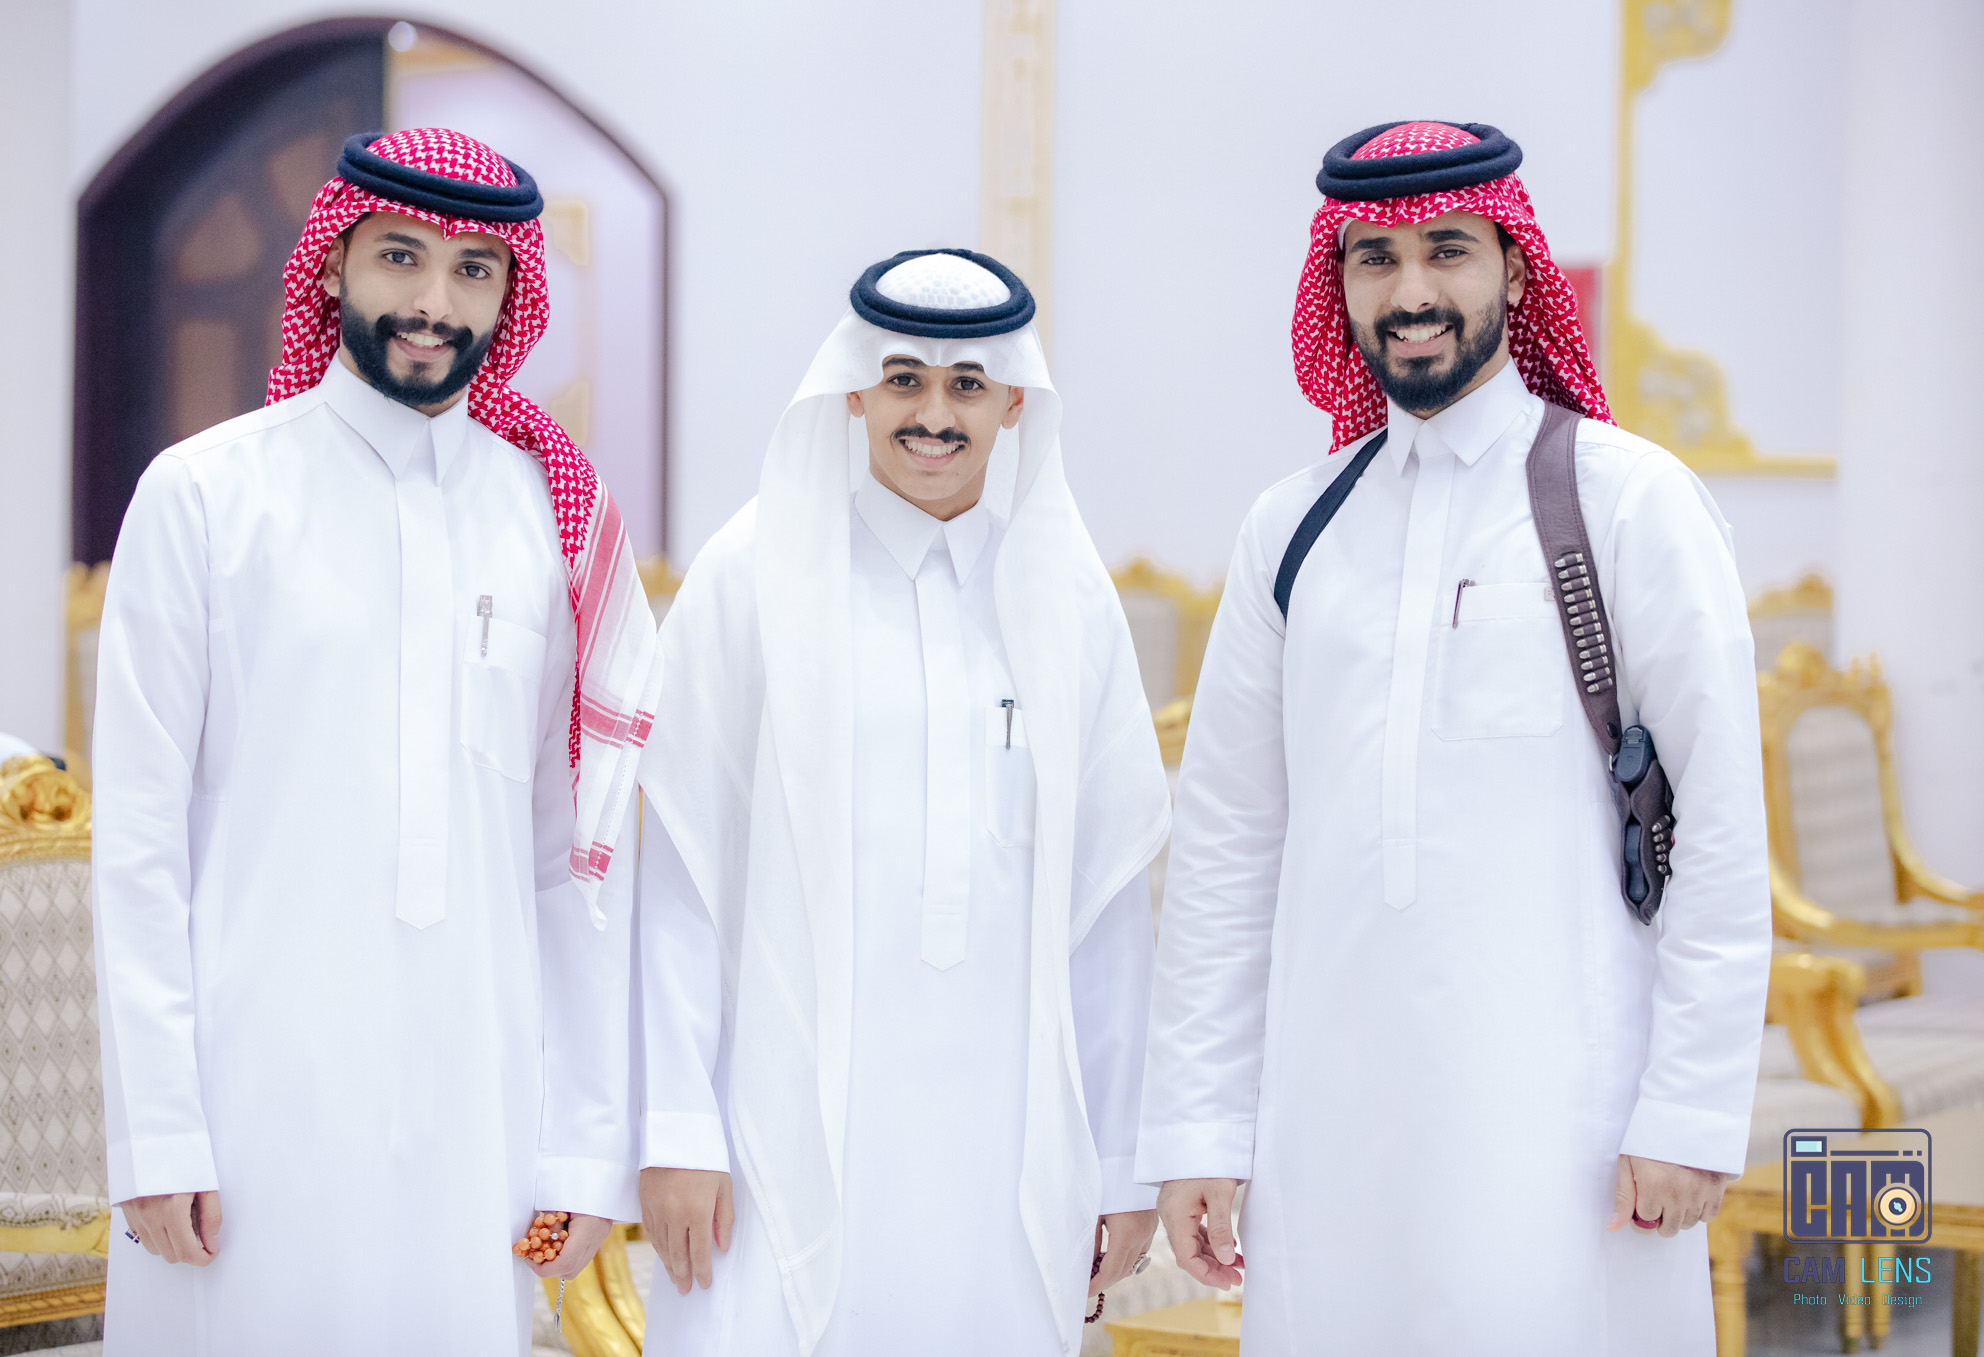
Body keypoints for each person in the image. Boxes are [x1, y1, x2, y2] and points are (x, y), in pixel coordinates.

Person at [1138, 121, 1771, 1354]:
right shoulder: (1293, 527)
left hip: (1568, 1124)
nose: (1410, 290)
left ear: (1515, 270)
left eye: (1446, 251)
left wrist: (1689, 1110)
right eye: (1373, 259)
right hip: (1326, 1132)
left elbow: (1719, 828)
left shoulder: (1624, 499)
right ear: (1339, 286)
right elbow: (1224, 852)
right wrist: (1198, 1129)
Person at [91, 129, 661, 1355]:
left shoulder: (546, 517)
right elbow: (135, 844)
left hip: (477, 1106)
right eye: (400, 256)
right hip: (249, 1097)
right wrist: (157, 1131)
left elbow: (570, 862)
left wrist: (583, 1142)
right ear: (333, 264)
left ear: (510, 294)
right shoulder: (205, 496)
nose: (432, 301)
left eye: (472, 270)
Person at [634, 250, 1169, 1356]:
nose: (933, 414)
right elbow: (681, 868)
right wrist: (677, 1123)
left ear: (1012, 402)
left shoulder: (1067, 599)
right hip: (777, 1118)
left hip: (1005, 1142)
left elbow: (1109, 907)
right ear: (854, 393)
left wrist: (1120, 1160)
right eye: (903, 381)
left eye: (967, 384)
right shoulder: (752, 575)